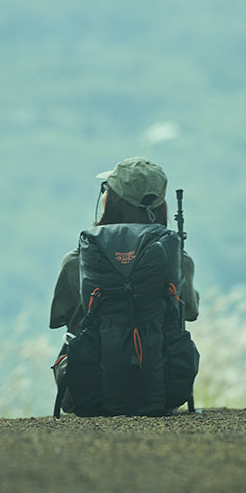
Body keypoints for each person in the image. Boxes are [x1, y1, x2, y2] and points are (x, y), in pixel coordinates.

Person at [50, 156, 199, 415]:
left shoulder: (78, 260)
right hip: (162, 393)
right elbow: (190, 312)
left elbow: (60, 317)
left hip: (89, 393)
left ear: (112, 201)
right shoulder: (177, 260)